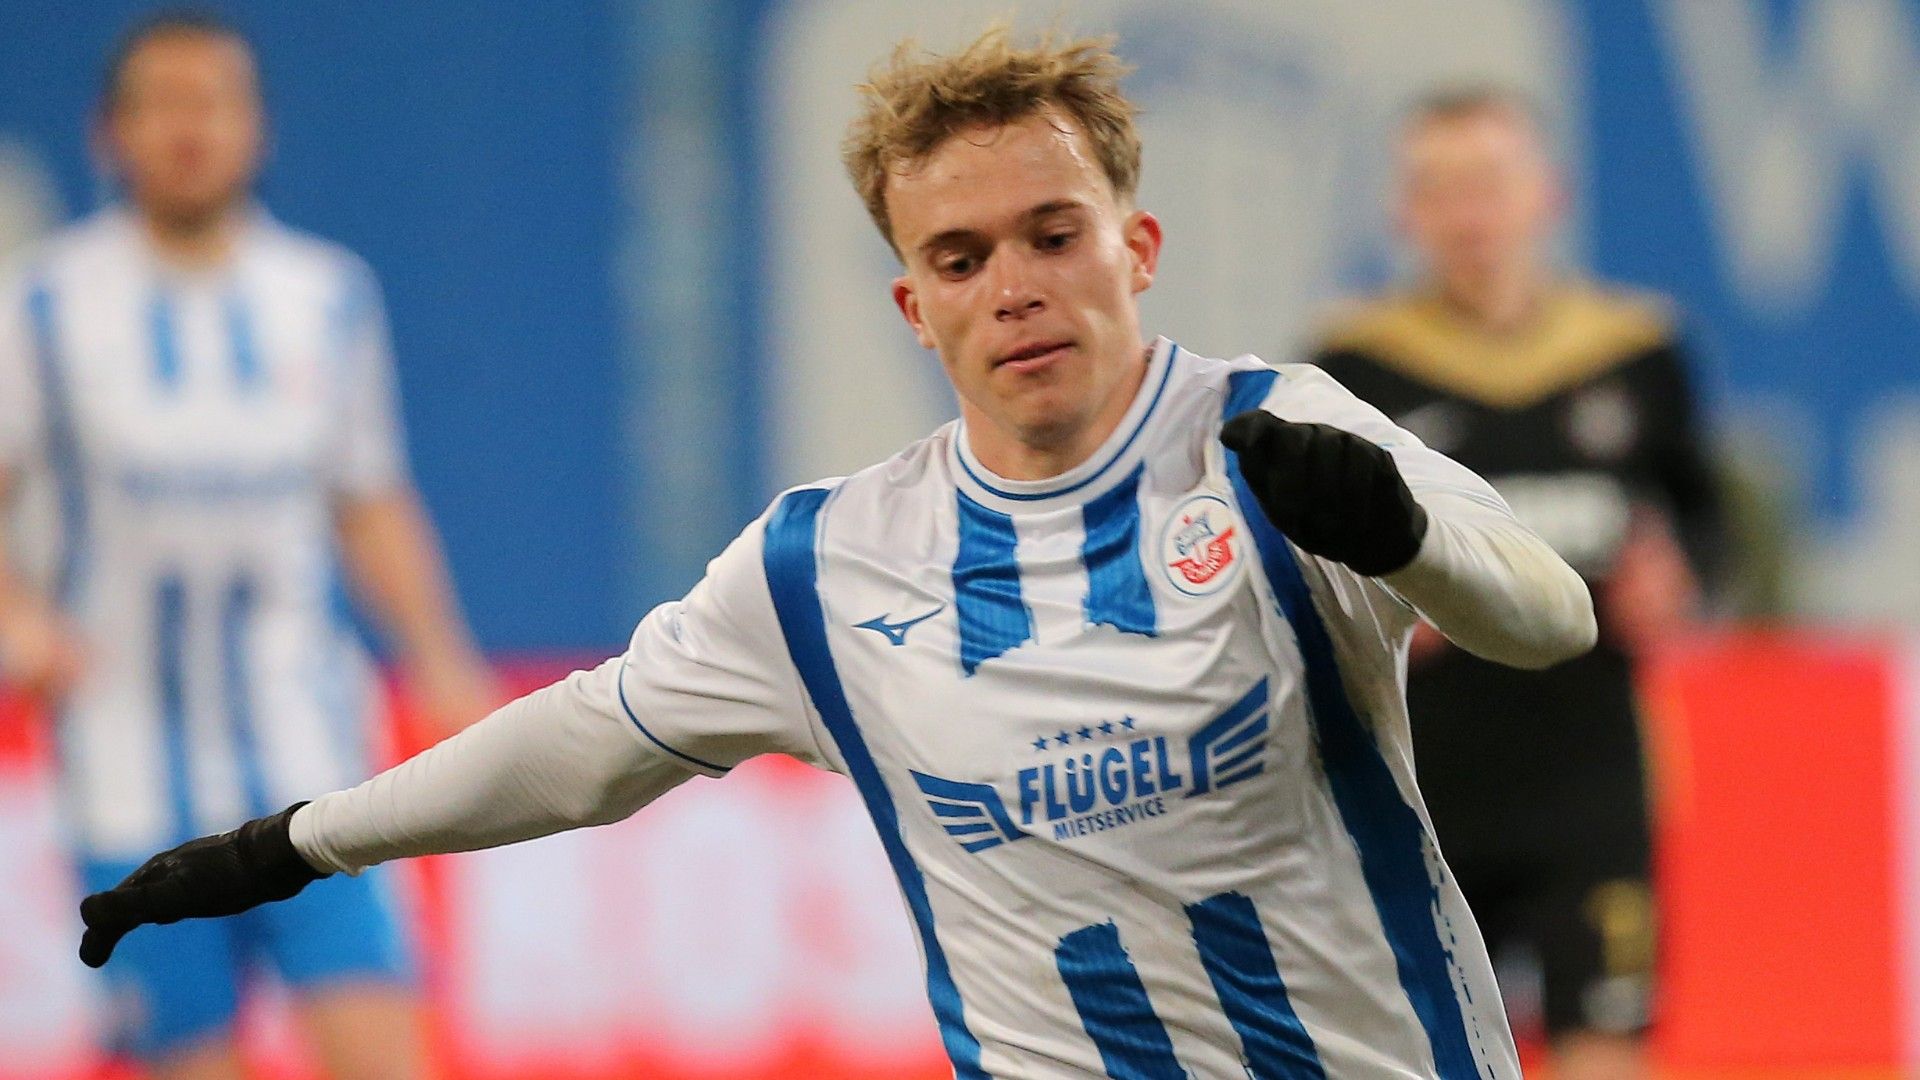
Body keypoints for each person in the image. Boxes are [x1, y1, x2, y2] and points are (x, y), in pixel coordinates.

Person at [76, 28, 1597, 1079]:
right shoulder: (825, 566)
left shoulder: (1280, 438)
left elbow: (1552, 621)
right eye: (959, 257)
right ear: (911, 306)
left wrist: (1404, 540)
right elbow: (584, 742)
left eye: (1052, 233)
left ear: (1135, 250)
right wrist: (291, 843)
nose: (1014, 285)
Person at [0, 13, 497, 1080]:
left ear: (256, 128)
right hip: (127, 767)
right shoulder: (40, 305)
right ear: (110, 133)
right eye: (164, 105)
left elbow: (367, 499)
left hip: (308, 751)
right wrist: (19, 615)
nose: (192, 131)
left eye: (215, 103)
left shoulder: (324, 296)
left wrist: (440, 652)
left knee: (386, 1052)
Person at [1313, 88, 1726, 1078]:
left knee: (1608, 1053)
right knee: (1433, 1058)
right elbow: (1301, 561)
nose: (1468, 214)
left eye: (1489, 183)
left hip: (1593, 782)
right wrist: (1368, 612)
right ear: (1400, 213)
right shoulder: (1353, 366)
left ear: (1549, 195)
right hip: (1426, 786)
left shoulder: (1635, 351)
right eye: (1438, 189)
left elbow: (1707, 519)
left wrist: (1685, 578)